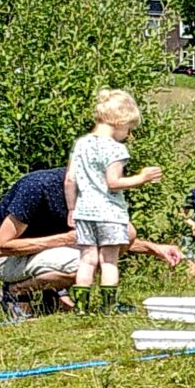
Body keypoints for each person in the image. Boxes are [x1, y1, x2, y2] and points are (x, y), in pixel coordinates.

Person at [0, 167, 182, 320]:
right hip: (7, 260)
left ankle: (52, 296)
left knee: (125, 230)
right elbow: (1, 246)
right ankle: (15, 292)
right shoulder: (36, 188)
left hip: (46, 251)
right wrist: (65, 239)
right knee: (85, 263)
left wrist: (155, 249)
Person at [62, 89, 162, 314]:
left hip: (84, 212)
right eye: (128, 129)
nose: (128, 134)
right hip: (109, 214)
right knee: (108, 261)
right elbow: (113, 183)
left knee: (87, 260)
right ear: (119, 121)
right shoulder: (115, 148)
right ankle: (109, 307)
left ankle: (81, 307)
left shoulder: (82, 144)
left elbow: (69, 179)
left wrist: (71, 208)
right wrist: (141, 178)